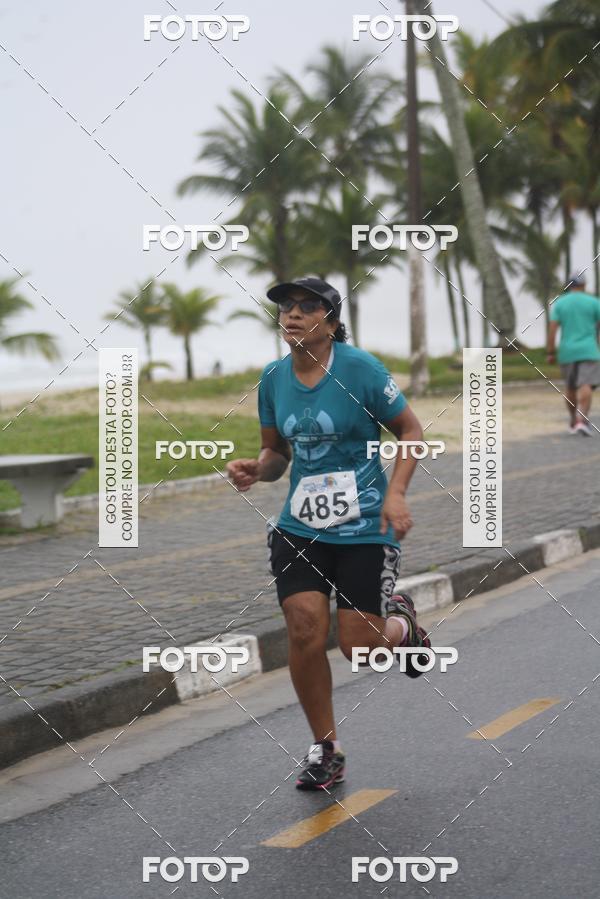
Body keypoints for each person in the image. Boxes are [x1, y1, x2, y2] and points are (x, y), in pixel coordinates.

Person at [226, 277, 430, 790]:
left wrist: (397, 493)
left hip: (364, 527)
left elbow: (410, 429)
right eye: (286, 307)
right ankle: (326, 746)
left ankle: (402, 626)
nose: (292, 314)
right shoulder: (273, 378)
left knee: (358, 648)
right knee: (303, 629)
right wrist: (258, 468)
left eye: (307, 306)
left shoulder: (359, 369)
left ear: (332, 322)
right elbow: (278, 456)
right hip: (300, 527)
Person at [547, 272, 600, 436]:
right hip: (589, 350)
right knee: (586, 384)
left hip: (567, 351)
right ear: (584, 285)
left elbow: (553, 329)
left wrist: (550, 352)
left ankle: (572, 420)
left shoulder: (560, 304)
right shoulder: (594, 302)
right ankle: (582, 420)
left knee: (570, 387)